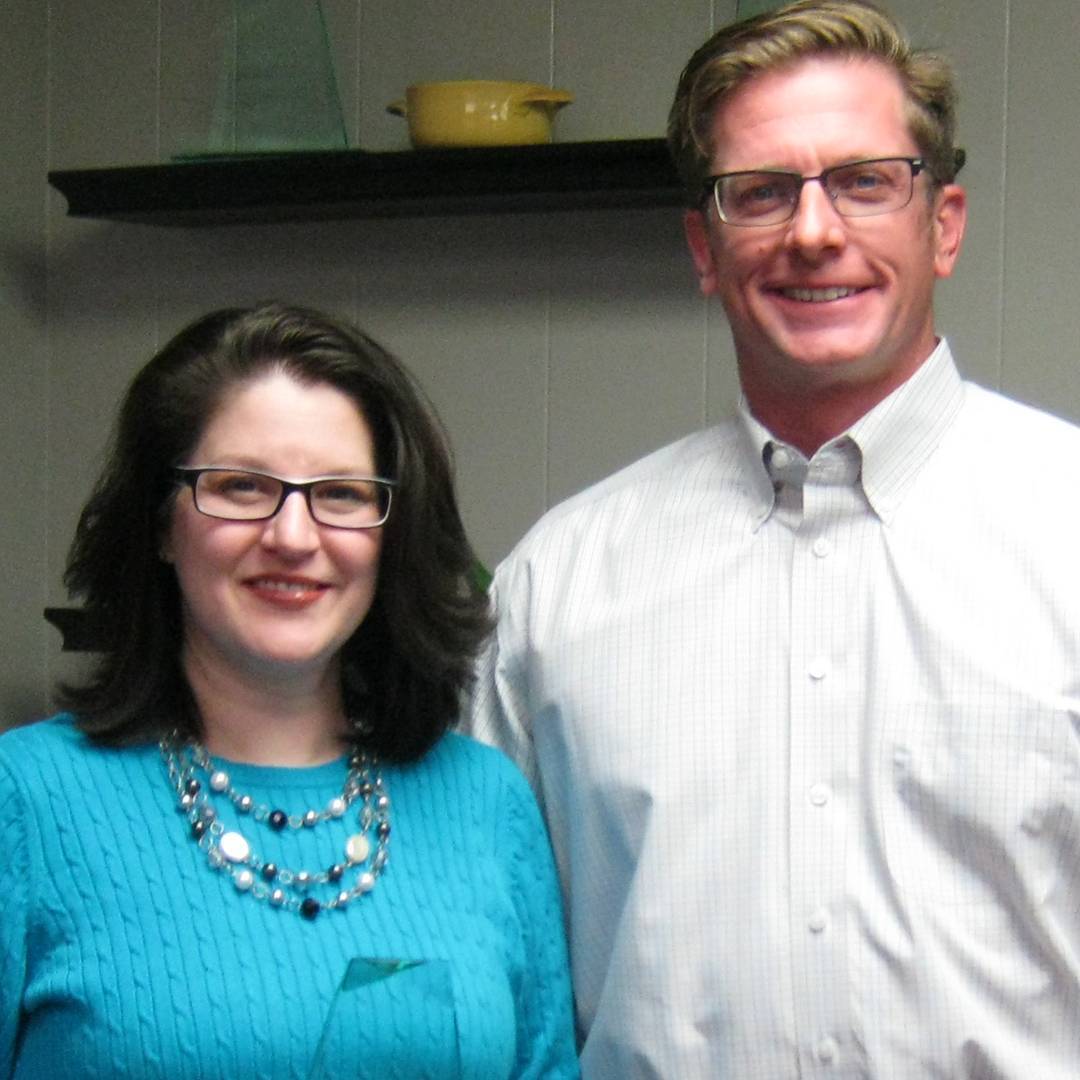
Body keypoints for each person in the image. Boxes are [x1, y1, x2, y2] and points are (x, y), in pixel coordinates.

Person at [467, 1, 1080, 1075]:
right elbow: (490, 978)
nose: (812, 231)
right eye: (760, 192)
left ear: (944, 223)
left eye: (864, 180)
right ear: (705, 247)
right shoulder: (556, 591)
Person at [0, 303, 579, 1080]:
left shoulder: (487, 804)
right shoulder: (26, 806)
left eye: (341, 493)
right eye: (241, 486)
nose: (294, 536)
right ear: (160, 526)